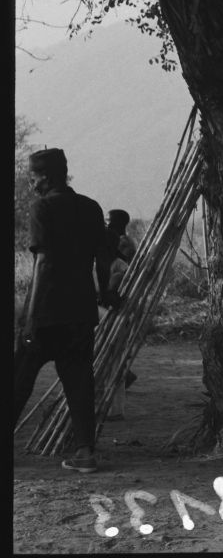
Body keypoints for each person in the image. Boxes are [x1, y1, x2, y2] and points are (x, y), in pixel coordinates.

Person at [14, 148, 116, 472]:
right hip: (81, 313)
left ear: (45, 177)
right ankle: (85, 453)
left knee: (18, 379)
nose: (31, 185)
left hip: (46, 313)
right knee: (80, 383)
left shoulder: (42, 207)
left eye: (32, 178)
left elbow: (43, 263)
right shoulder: (90, 208)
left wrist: (29, 319)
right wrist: (105, 294)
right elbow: (103, 259)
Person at [103, 209, 138, 420]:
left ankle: (115, 407)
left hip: (117, 304)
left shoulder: (121, 245)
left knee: (112, 357)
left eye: (110, 221)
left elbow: (119, 276)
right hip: (115, 304)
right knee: (113, 357)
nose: (107, 224)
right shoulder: (120, 243)